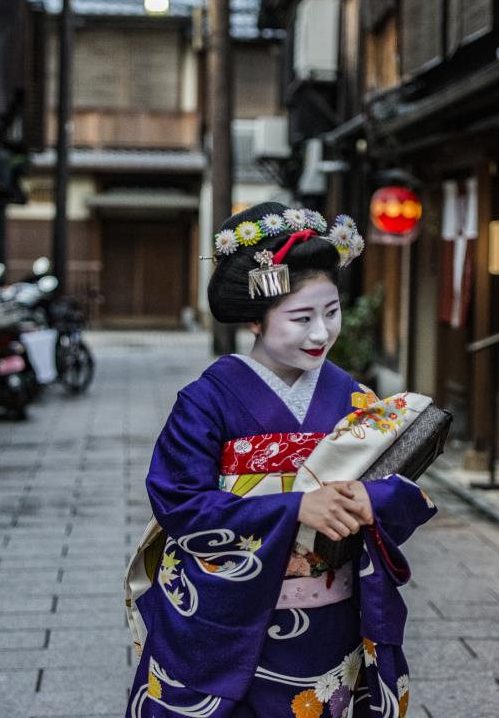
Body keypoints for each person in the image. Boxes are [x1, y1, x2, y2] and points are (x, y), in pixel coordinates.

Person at [124, 202, 437, 717]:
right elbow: (178, 502)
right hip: (226, 617)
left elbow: (403, 488)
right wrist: (295, 509)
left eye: (331, 312)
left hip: (330, 627)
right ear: (255, 318)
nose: (321, 333)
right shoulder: (208, 400)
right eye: (301, 317)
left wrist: (368, 495)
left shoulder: (353, 396)